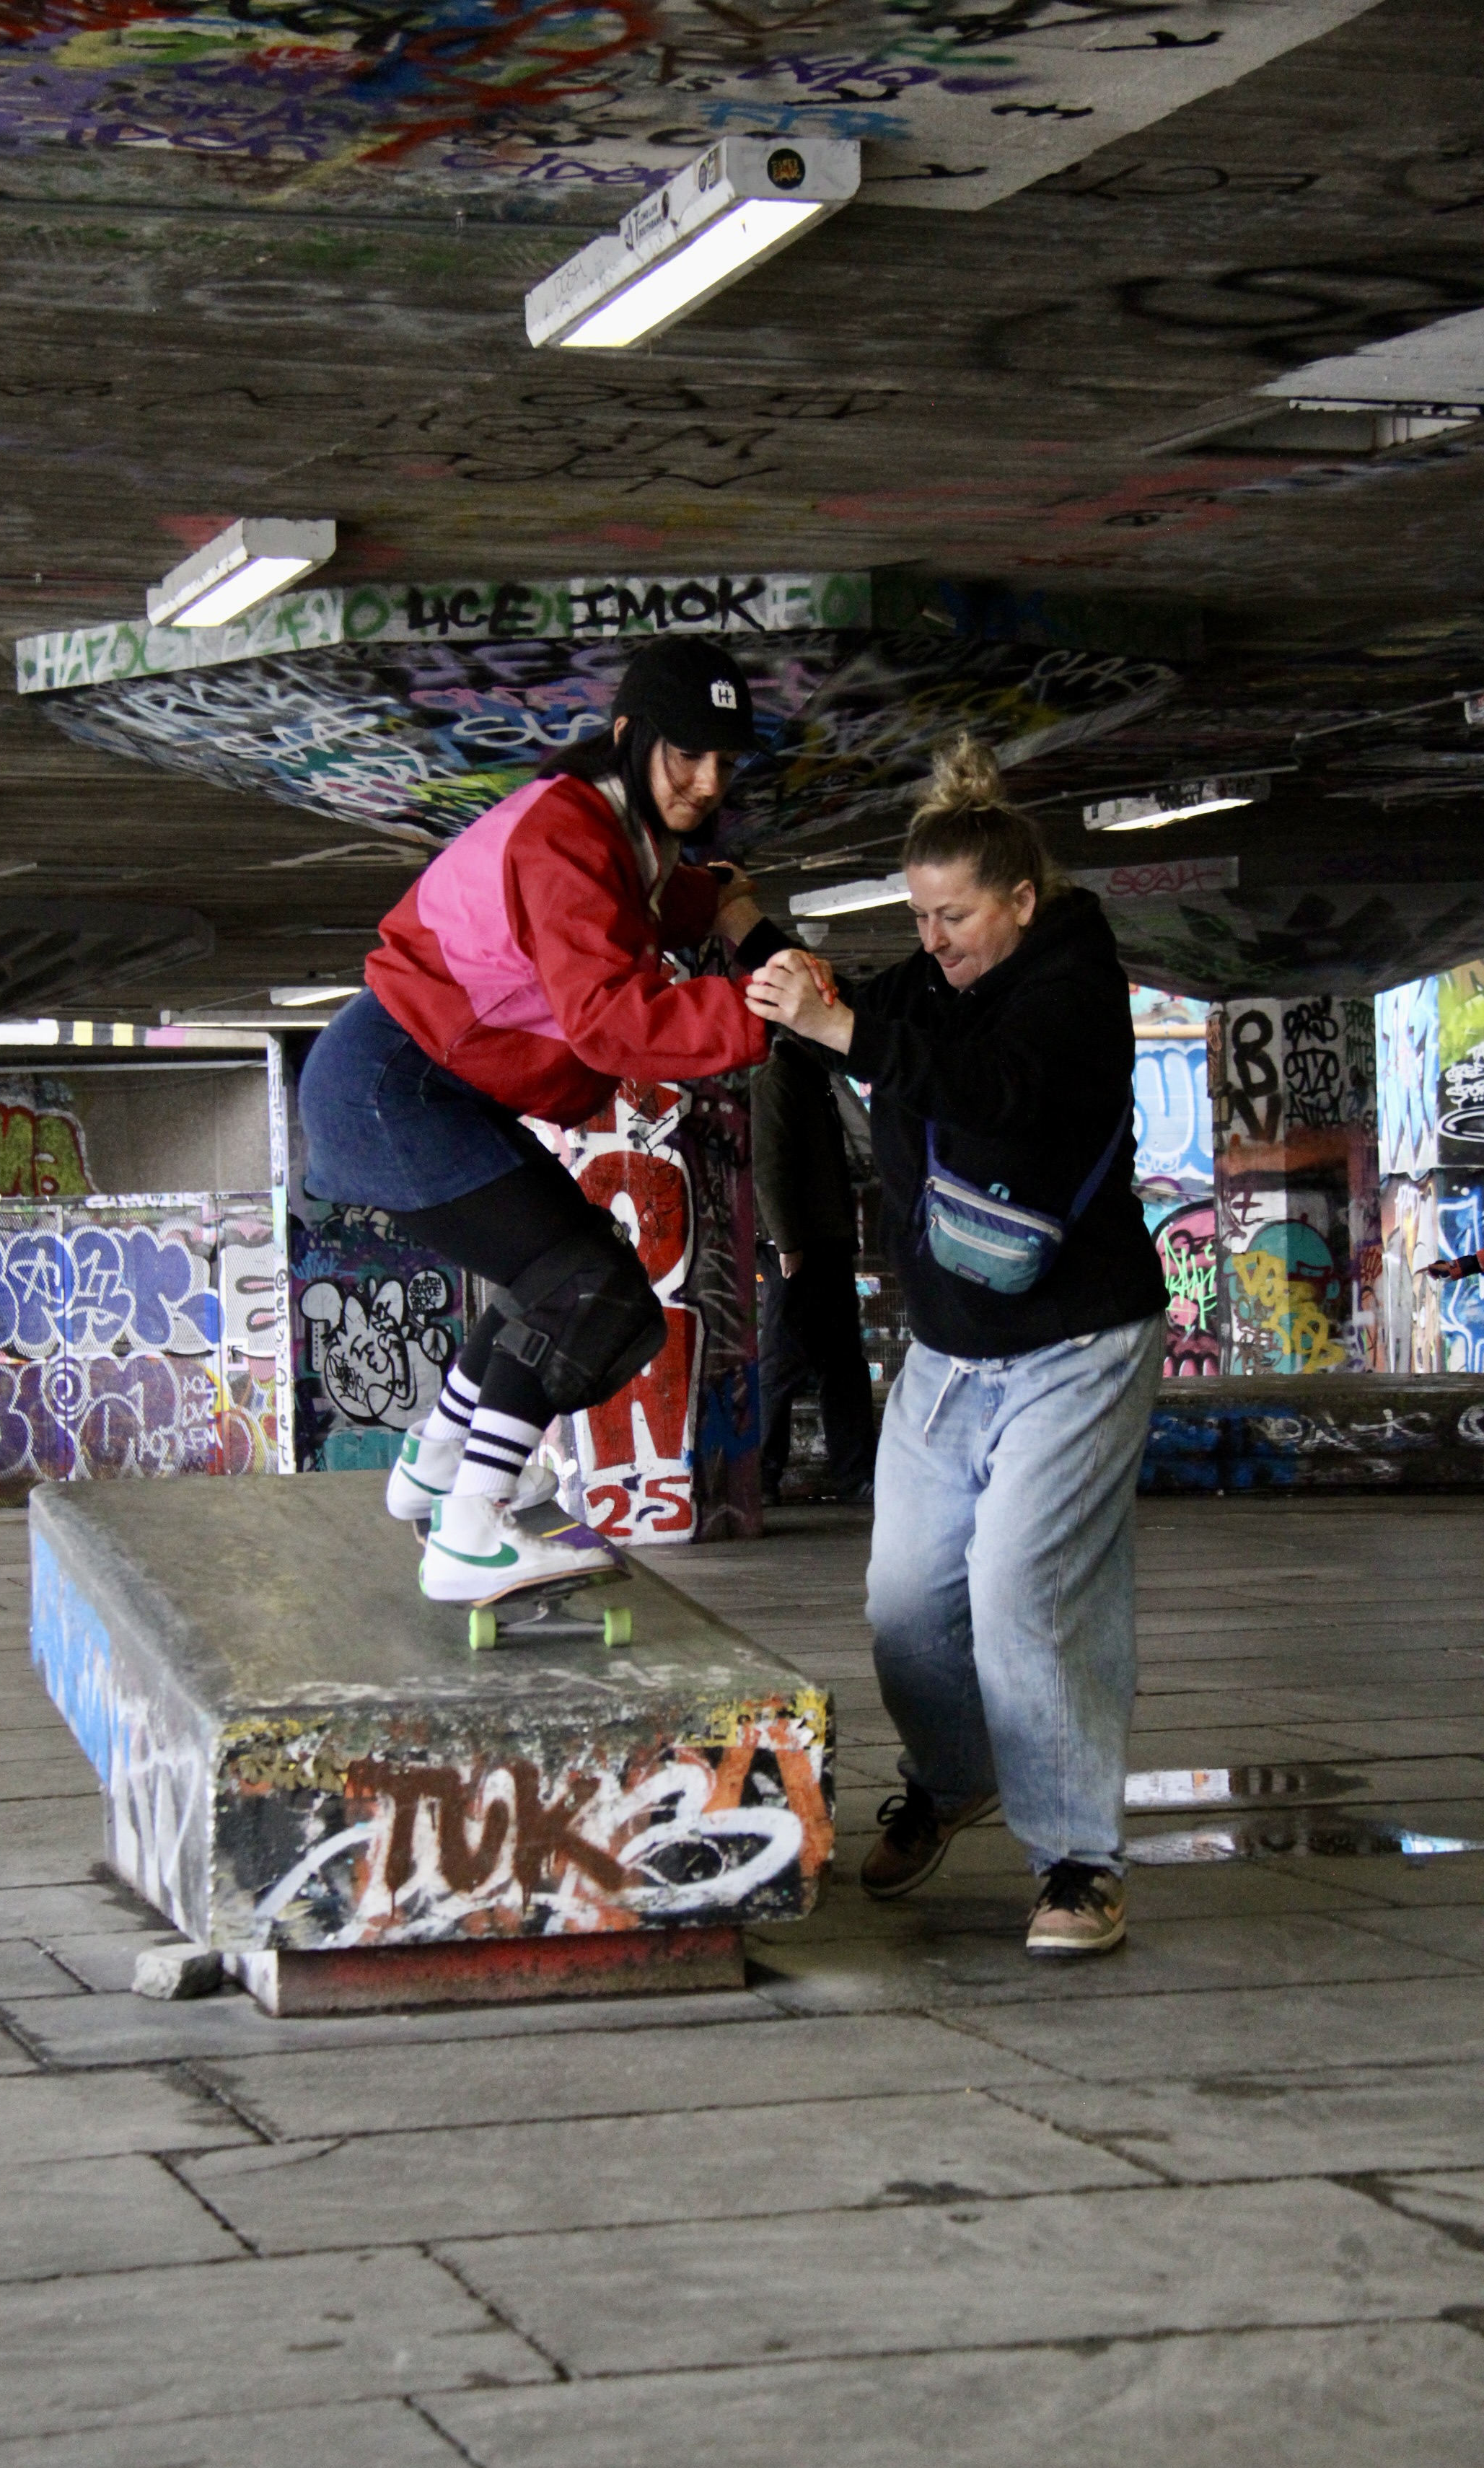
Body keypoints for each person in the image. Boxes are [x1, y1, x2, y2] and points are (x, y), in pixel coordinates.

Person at [745, 734, 1167, 1958]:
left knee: (1024, 1589)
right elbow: (849, 1015)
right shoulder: (928, 985)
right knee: (904, 1600)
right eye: (918, 916)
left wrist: (844, 1027)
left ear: (1021, 902)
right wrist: (755, 945)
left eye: (956, 915)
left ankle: (1078, 1862)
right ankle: (954, 1773)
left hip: (1077, 1342)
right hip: (947, 1351)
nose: (933, 940)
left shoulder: (1074, 993)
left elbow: (989, 1088)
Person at [297, 636, 788, 1602]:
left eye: (725, 763)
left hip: (410, 1080)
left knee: (562, 1272)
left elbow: (639, 906)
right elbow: (611, 1021)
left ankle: (439, 1467)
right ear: (628, 737)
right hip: (391, 1086)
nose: (705, 784)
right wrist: (763, 1011)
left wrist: (717, 902)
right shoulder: (567, 836)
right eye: (685, 757)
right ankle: (471, 1532)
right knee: (586, 1291)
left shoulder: (611, 829)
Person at [752, 1033, 875, 1502]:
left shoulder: (810, 1079)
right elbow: (769, 1167)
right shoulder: (779, 1080)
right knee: (783, 1360)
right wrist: (787, 1242)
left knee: (842, 1364)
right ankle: (763, 1477)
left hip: (823, 1243)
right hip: (801, 1246)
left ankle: (855, 1476)